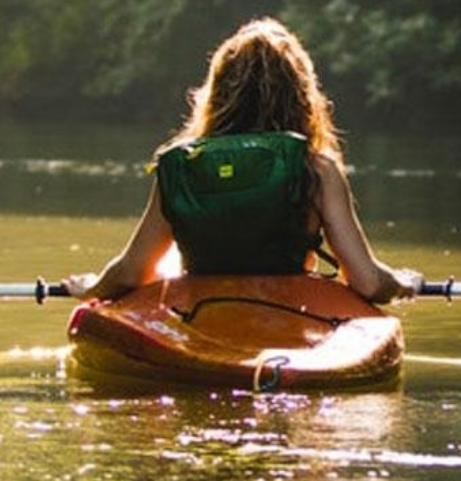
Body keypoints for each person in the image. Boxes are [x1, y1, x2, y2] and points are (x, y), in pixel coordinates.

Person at [63, 18, 421, 304]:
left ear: (217, 92)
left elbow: (131, 272)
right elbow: (369, 283)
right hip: (290, 315)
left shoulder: (183, 166)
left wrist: (93, 287)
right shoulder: (317, 170)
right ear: (301, 95)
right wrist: (403, 282)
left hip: (200, 316)